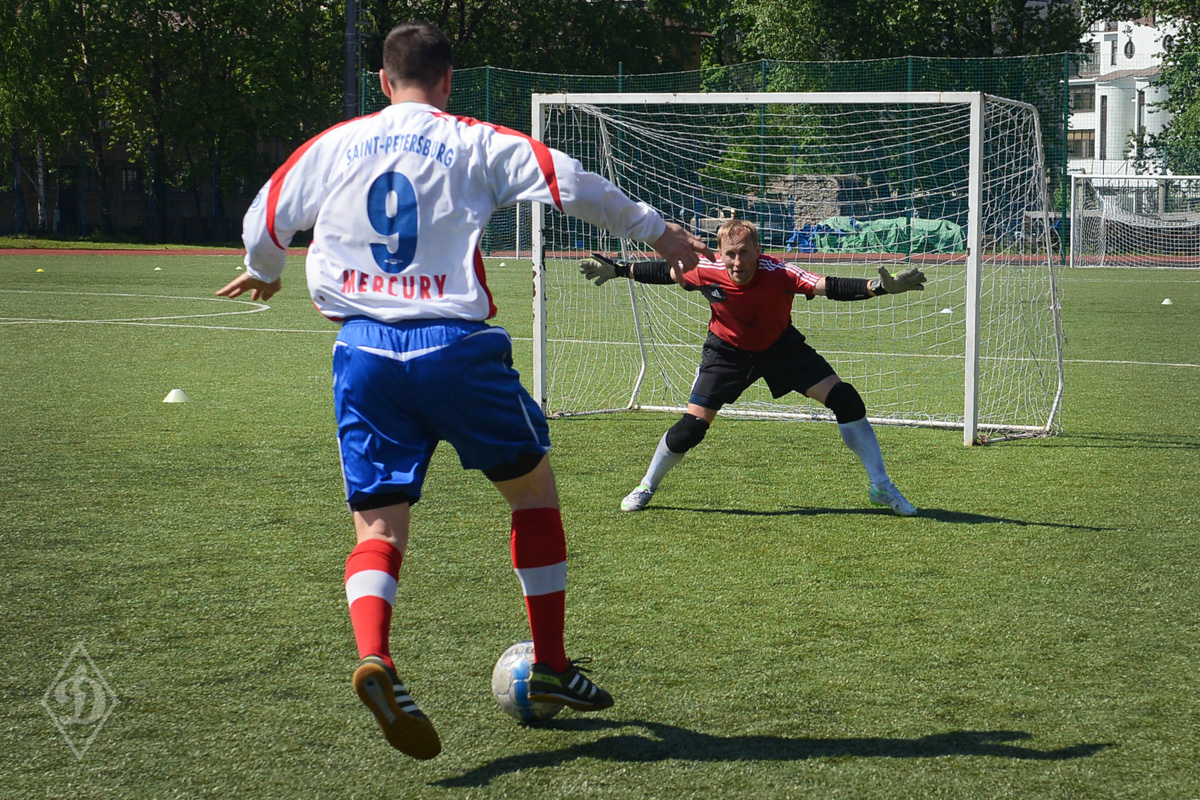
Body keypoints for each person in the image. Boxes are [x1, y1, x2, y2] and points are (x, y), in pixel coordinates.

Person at [217, 21, 710, 760]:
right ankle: (552, 664)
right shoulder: (474, 140)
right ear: (448, 80)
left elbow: (267, 212)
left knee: (378, 530)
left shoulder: (334, 143)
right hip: (453, 348)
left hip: (363, 353)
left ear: (383, 82)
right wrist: (657, 233)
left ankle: (376, 656)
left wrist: (266, 268)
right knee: (533, 496)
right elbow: (571, 182)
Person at [578, 218, 923, 517]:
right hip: (726, 353)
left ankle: (881, 487)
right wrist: (619, 270)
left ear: (758, 251)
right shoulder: (706, 268)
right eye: (730, 253)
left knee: (846, 400)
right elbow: (667, 273)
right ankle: (646, 485)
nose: (737, 261)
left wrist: (879, 287)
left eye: (744, 252)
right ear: (720, 253)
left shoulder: (780, 272)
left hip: (781, 348)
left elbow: (827, 285)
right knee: (690, 429)